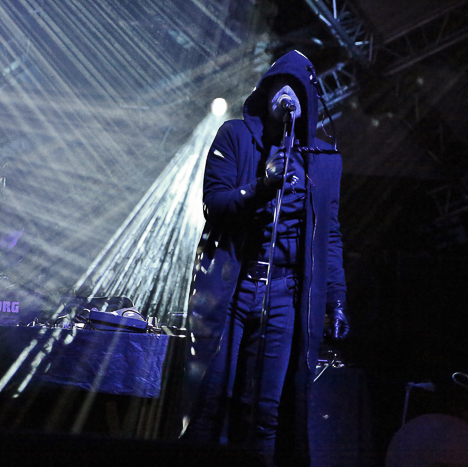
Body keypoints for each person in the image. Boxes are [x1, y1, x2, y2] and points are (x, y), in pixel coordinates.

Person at [181, 50, 350, 467]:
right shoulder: (234, 137)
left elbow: (329, 236)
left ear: (307, 100)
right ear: (267, 92)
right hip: (232, 291)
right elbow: (215, 204)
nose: (287, 94)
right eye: (280, 85)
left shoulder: (325, 162)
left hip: (285, 298)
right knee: (210, 400)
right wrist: (261, 186)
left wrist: (336, 298)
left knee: (266, 412)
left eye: (297, 87)